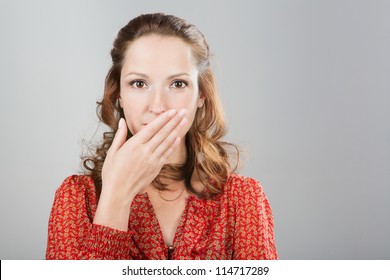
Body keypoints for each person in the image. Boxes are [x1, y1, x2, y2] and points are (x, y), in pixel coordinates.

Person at [46, 13, 277, 260]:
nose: (157, 106)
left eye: (177, 84)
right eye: (138, 83)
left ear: (201, 95)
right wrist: (116, 196)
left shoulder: (242, 200)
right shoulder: (76, 198)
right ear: (119, 94)